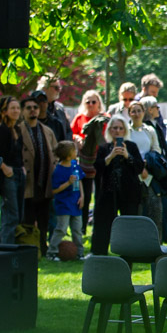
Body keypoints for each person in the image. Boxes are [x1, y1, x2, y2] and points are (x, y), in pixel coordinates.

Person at [91, 116, 145, 256]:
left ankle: (129, 252)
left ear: (125, 130)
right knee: (103, 223)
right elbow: (97, 168)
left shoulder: (131, 146)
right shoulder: (104, 148)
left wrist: (127, 155)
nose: (118, 131)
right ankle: (99, 252)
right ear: (109, 130)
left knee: (129, 223)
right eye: (114, 128)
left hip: (129, 192)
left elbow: (139, 168)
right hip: (108, 191)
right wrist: (110, 156)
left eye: (121, 128)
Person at [18, 95, 57, 255]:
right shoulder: (18, 130)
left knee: (44, 219)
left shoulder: (47, 131)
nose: (33, 110)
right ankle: (28, 248)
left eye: (35, 107)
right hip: (28, 183)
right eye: (29, 108)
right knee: (27, 219)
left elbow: (55, 153)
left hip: (45, 182)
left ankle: (43, 246)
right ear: (22, 111)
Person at [139, 95, 167, 241]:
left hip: (162, 169)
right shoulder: (144, 129)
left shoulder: (156, 125)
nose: (158, 109)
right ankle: (157, 236)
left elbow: (164, 147)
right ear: (149, 109)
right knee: (154, 205)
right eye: (156, 107)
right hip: (150, 171)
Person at [0, 95, 25, 245]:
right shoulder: (1, 131)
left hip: (18, 173)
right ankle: (6, 247)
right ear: (4, 111)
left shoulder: (16, 129)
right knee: (11, 215)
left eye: (17, 108)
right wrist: (4, 168)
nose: (16, 111)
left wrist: (21, 168)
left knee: (18, 214)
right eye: (12, 108)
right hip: (7, 175)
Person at [125, 100, 164, 237]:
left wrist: (146, 164)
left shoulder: (150, 130)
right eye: (133, 111)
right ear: (129, 113)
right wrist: (138, 167)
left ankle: (155, 241)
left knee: (154, 209)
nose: (136, 114)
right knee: (136, 210)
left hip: (149, 175)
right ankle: (135, 241)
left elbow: (156, 149)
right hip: (132, 174)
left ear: (143, 112)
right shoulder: (126, 131)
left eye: (139, 111)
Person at [71, 89, 106, 230]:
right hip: (84, 162)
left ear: (98, 103)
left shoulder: (104, 118)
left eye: (94, 101)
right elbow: (71, 132)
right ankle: (83, 227)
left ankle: (99, 226)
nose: (91, 104)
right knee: (83, 195)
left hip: (101, 159)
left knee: (100, 195)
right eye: (88, 102)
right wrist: (77, 138)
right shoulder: (80, 118)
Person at [47, 140, 84, 261]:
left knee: (77, 230)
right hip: (64, 204)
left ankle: (79, 253)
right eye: (74, 151)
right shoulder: (58, 170)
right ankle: (52, 252)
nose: (76, 152)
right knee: (61, 229)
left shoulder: (75, 165)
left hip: (76, 203)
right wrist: (68, 183)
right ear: (68, 155)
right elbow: (55, 190)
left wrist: (82, 196)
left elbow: (79, 181)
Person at [36, 76, 72, 142]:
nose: (59, 90)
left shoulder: (60, 108)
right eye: (56, 88)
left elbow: (68, 130)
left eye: (59, 88)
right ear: (44, 88)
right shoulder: (34, 108)